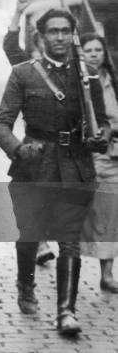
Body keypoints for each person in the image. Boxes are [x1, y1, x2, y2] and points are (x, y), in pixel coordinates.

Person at [0, 9, 109, 335]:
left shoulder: (87, 76)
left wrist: (101, 136)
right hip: (34, 165)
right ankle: (25, 284)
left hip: (76, 166)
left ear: (73, 34)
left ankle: (66, 312)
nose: (59, 37)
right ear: (40, 37)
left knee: (69, 240)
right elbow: (1, 124)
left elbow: (103, 125)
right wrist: (17, 149)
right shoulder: (23, 74)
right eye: (53, 31)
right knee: (30, 235)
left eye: (65, 31)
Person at [2, 0, 55, 266]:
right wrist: (17, 12)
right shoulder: (28, 68)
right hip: (37, 147)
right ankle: (41, 243)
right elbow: (10, 46)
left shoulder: (75, 69)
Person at [79, 33, 118, 293]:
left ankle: (107, 273)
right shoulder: (78, 80)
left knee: (110, 215)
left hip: (112, 157)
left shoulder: (113, 81)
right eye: (88, 50)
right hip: (84, 156)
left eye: (97, 49)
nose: (94, 54)